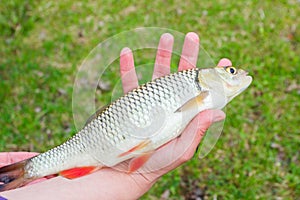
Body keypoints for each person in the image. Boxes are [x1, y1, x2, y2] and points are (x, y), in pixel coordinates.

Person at [0, 32, 229, 200]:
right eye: (230, 72)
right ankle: (27, 171)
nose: (234, 74)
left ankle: (26, 171)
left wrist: (138, 175)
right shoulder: (197, 89)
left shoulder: (200, 95)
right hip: (101, 142)